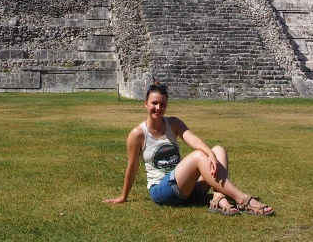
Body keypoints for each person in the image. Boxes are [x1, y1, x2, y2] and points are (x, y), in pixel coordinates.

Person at [104, 81, 275, 217]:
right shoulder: (137, 134)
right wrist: (123, 196)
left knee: (218, 150)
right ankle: (243, 199)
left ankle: (218, 197)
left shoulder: (174, 123)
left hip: (187, 187)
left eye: (162, 104)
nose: (158, 108)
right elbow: (132, 168)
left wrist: (211, 154)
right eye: (154, 103)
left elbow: (192, 139)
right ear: (145, 104)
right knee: (199, 156)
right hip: (162, 190)